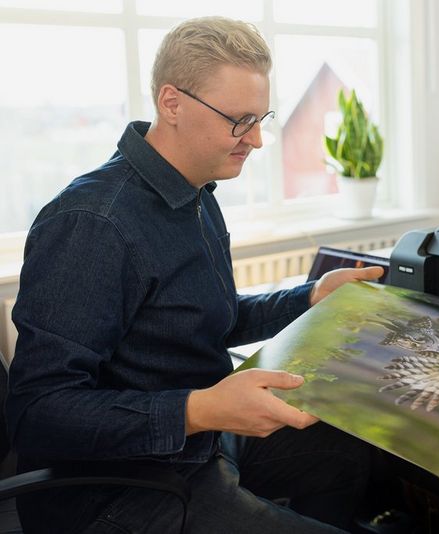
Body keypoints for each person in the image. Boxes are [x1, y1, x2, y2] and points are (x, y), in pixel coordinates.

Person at [6, 16, 384, 534]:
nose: (254, 139)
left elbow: (204, 320)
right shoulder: (93, 223)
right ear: (172, 103)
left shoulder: (197, 193)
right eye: (239, 120)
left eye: (260, 118)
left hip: (198, 444)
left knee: (348, 451)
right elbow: (39, 412)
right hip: (119, 492)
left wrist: (312, 296)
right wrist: (200, 409)